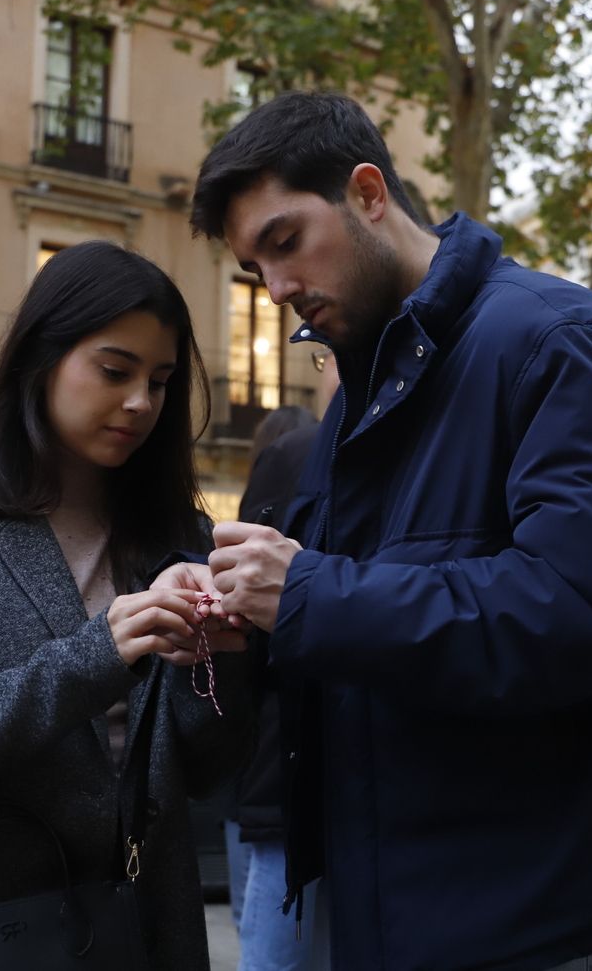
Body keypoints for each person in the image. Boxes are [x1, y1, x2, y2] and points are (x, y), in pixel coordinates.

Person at [193, 91, 592, 971]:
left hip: (536, 917)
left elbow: (583, 609)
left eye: (285, 241)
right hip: (395, 904)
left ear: (367, 193)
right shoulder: (360, 389)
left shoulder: (558, 340)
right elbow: (354, 620)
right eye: (255, 267)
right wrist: (228, 610)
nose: (277, 291)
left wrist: (306, 593)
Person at [0, 241, 253, 971]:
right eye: (114, 370)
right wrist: (97, 655)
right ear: (42, 359)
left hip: (143, 929)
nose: (141, 402)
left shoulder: (179, 537)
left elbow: (203, 771)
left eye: (160, 381)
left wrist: (220, 659)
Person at [225, 351, 341, 971]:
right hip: (292, 761)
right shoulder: (300, 455)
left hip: (288, 757)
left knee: (278, 950)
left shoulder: (295, 454)